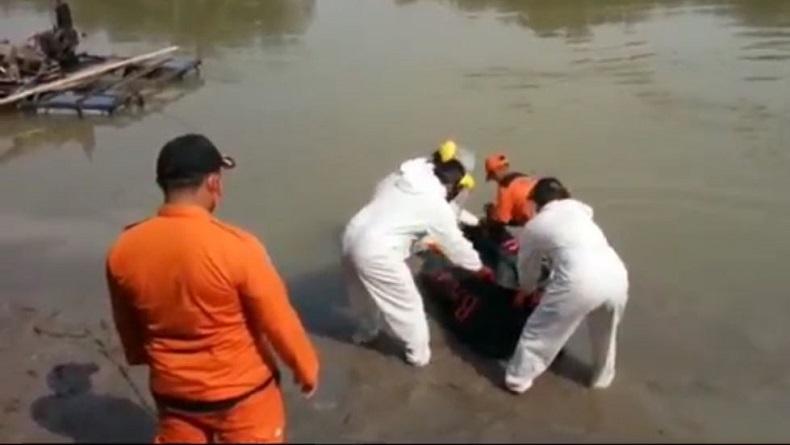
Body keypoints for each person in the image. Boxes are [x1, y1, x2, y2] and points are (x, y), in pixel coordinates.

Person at [106, 134, 319, 443]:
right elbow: (277, 319)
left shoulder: (124, 248)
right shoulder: (237, 246)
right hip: (243, 394)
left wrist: (144, 358)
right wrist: (305, 366)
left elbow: (128, 325)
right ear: (213, 183)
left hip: (174, 393)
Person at [342, 157, 493, 367]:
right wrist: (479, 267)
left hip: (352, 234)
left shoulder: (398, 178)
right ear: (450, 185)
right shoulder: (435, 204)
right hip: (377, 251)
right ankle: (418, 355)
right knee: (408, 305)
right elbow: (455, 245)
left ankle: (366, 332)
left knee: (360, 291)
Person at [504, 177, 629, 393]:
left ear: (537, 202)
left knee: (538, 332)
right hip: (617, 275)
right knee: (605, 334)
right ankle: (601, 380)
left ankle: (517, 381)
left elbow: (528, 267)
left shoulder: (536, 225)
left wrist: (527, 290)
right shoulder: (583, 216)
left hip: (581, 280)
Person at [484, 152, 540, 227]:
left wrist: (491, 213)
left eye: (492, 176)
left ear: (495, 172)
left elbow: (502, 220)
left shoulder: (505, 188)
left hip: (535, 225)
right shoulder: (525, 177)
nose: (494, 179)